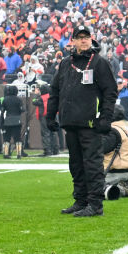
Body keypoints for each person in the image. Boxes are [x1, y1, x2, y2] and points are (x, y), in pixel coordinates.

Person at [46, 26, 117, 217]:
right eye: (80, 37)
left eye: (87, 37)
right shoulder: (65, 63)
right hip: (70, 122)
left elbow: (110, 92)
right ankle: (80, 200)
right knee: (75, 164)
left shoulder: (99, 63)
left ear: (91, 40)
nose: (84, 40)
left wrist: (105, 118)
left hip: (90, 123)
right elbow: (55, 91)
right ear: (73, 41)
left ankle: (95, 205)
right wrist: (50, 116)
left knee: (92, 164)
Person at [101, 106, 128, 200]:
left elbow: (103, 148)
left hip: (114, 171)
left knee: (89, 189)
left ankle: (121, 189)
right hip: (126, 170)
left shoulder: (112, 130)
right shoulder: (123, 127)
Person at [0, 85, 25, 159]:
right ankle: (19, 154)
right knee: (18, 138)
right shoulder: (18, 99)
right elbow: (22, 109)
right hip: (17, 120)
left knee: (6, 138)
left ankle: (5, 153)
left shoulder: (5, 99)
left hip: (7, 120)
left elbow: (2, 111)